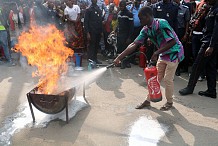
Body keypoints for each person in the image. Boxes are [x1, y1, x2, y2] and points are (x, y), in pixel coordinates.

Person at [114, 6, 184, 110]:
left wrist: (156, 52)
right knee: (155, 78)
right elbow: (134, 44)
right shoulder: (146, 29)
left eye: (141, 18)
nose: (139, 20)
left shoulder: (161, 24)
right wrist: (119, 57)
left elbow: (173, 41)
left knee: (168, 80)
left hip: (174, 53)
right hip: (163, 54)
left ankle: (169, 103)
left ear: (147, 16)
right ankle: (148, 101)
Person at [179, 0, 218, 99]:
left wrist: (211, 46)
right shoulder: (212, 8)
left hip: (209, 43)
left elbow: (216, 30)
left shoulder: (217, 10)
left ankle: (190, 87)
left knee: (197, 65)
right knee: (211, 67)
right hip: (210, 42)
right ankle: (211, 90)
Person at [174, 0, 191, 76]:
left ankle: (182, 67)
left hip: (181, 31)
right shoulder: (171, 8)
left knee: (182, 50)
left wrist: (186, 34)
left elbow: (187, 22)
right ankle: (175, 68)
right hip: (173, 31)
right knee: (174, 50)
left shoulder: (185, 9)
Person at [116, 0, 134, 69]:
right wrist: (115, 30)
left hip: (126, 35)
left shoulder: (129, 14)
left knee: (125, 49)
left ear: (125, 5)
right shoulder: (119, 13)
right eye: (120, 6)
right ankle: (120, 62)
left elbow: (131, 27)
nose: (121, 7)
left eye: (122, 6)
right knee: (119, 48)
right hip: (119, 34)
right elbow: (118, 24)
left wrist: (129, 37)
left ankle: (126, 62)